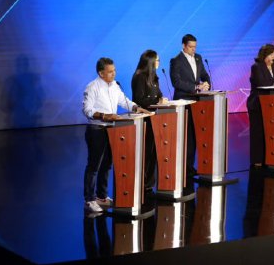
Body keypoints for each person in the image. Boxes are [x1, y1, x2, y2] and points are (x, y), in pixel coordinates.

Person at [82, 57, 151, 214]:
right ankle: (89, 199)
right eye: (110, 72)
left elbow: (123, 101)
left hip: (112, 129)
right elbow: (87, 110)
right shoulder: (92, 87)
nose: (114, 74)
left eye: (114, 71)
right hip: (97, 130)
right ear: (101, 73)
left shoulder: (114, 86)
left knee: (107, 164)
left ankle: (101, 196)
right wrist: (106, 116)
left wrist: (136, 108)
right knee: (94, 166)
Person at [169, 34, 211, 176]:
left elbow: (204, 75)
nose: (193, 49)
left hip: (198, 102)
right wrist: (195, 88)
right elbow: (177, 82)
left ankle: (190, 166)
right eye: (191, 47)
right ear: (183, 46)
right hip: (183, 101)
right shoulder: (176, 61)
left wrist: (206, 83)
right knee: (185, 136)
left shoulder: (198, 58)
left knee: (194, 135)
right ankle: (182, 166)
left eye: (195, 47)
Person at [131, 50, 168, 194]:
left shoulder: (154, 77)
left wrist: (162, 100)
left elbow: (159, 95)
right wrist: (157, 101)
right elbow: (139, 100)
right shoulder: (139, 77)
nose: (159, 62)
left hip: (155, 118)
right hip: (144, 120)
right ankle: (142, 182)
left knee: (153, 152)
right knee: (145, 151)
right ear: (150, 62)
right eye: (157, 60)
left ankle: (149, 183)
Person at [246, 44, 274, 166]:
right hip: (258, 103)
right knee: (258, 132)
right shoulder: (256, 67)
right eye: (270, 55)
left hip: (273, 103)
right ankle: (257, 159)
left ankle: (271, 157)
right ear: (264, 55)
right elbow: (261, 82)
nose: (273, 58)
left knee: (271, 132)